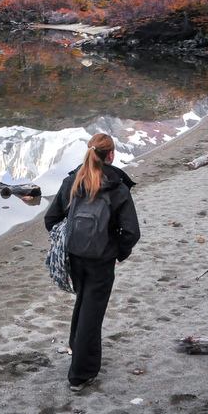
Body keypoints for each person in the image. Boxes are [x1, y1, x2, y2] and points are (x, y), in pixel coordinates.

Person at [44, 132, 140, 391]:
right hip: (101, 259)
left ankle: (77, 348)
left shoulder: (73, 182)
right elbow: (131, 232)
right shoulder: (117, 187)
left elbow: (50, 219)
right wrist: (119, 252)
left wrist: (65, 240)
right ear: (111, 155)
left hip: (74, 256)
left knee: (84, 302)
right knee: (92, 312)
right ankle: (81, 375)